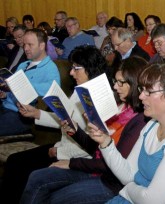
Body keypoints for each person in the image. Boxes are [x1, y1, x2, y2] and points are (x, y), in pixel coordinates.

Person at [20, 56, 148, 204]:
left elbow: (113, 165)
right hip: (96, 169)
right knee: (37, 177)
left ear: (134, 84)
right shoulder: (120, 108)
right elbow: (95, 150)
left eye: (121, 83)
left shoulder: (138, 120)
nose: (115, 87)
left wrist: (71, 163)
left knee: (53, 197)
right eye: (115, 81)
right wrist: (74, 131)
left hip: (108, 181)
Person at [89, 60, 165, 203]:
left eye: (149, 91)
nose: (141, 97)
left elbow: (151, 201)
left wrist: (128, 189)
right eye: (141, 90)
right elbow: (128, 175)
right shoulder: (152, 125)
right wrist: (106, 142)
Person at [1, 45, 104, 204]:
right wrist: (36, 113)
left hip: (75, 155)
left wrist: (59, 153)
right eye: (71, 68)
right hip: (62, 146)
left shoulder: (97, 97)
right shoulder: (79, 90)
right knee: (15, 160)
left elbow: (93, 146)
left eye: (76, 68)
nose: (71, 73)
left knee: (23, 168)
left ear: (90, 68)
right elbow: (65, 120)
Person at [0, 28, 60, 136]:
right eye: (24, 45)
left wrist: (21, 86)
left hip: (20, 115)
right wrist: (5, 93)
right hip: (5, 105)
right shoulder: (23, 65)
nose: (26, 48)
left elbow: (53, 91)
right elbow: (13, 90)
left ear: (42, 46)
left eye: (30, 45)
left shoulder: (51, 68)